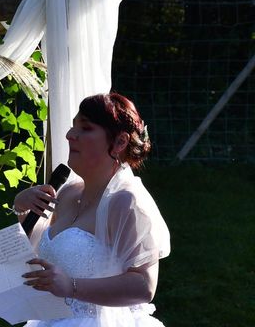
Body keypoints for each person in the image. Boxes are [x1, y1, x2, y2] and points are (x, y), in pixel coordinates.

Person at [13, 93, 170, 326]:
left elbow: (144, 286)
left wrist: (71, 286)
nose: (69, 135)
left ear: (119, 142)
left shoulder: (126, 201)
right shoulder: (66, 193)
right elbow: (32, 256)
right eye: (73, 126)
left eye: (85, 128)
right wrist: (23, 209)